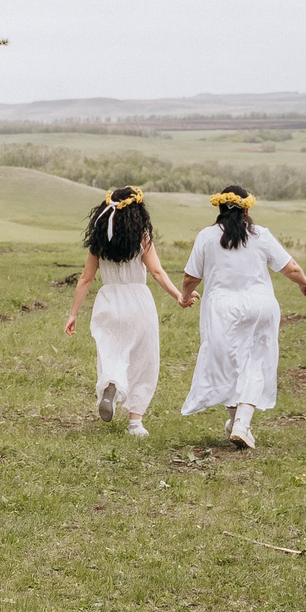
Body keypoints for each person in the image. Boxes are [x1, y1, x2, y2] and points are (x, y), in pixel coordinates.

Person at [178, 185, 306, 449]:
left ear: (219, 207)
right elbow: (291, 267)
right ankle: (239, 422)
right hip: (261, 306)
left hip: (222, 309)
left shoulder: (206, 237)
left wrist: (185, 296)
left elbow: (190, 277)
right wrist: (304, 283)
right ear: (247, 208)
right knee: (256, 362)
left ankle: (239, 421)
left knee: (230, 363)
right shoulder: (260, 234)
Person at [63, 185, 185, 437]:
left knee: (111, 352)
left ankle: (111, 386)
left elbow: (85, 278)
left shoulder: (100, 239)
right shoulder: (142, 237)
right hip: (138, 301)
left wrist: (73, 313)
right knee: (143, 359)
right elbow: (157, 272)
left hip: (108, 300)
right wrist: (179, 296)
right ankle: (135, 423)